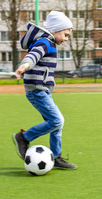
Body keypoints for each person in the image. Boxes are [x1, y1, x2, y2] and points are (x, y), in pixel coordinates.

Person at [12, 11, 77, 169]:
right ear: (55, 30)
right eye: (65, 34)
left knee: (56, 124)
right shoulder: (45, 42)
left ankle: (56, 156)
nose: (66, 39)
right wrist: (25, 65)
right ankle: (23, 137)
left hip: (43, 90)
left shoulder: (50, 43)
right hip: (37, 90)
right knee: (57, 120)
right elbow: (34, 55)